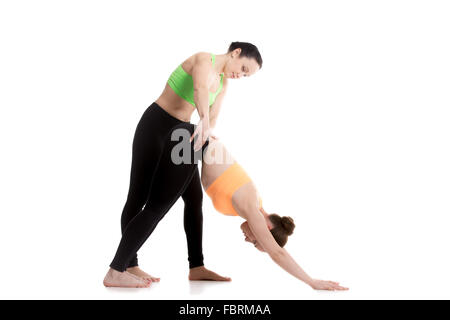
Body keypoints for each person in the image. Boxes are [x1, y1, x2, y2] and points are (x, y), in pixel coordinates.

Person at [107, 122, 349, 291]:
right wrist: (311, 281)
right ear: (266, 226)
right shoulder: (251, 207)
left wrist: (209, 137)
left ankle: (196, 267)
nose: (249, 241)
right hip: (189, 142)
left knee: (193, 202)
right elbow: (277, 253)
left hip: (192, 144)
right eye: (257, 241)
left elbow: (221, 161)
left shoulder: (253, 203)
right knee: (156, 208)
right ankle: (116, 269)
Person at [104, 42, 263, 288]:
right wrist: (204, 121)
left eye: (246, 75)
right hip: (155, 126)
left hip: (183, 136)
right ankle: (124, 265)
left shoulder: (224, 84)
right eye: (243, 68)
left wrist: (207, 129)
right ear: (236, 52)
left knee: (194, 199)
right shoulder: (203, 60)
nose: (239, 75)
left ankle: (196, 267)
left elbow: (213, 115)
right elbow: (199, 90)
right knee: (139, 197)